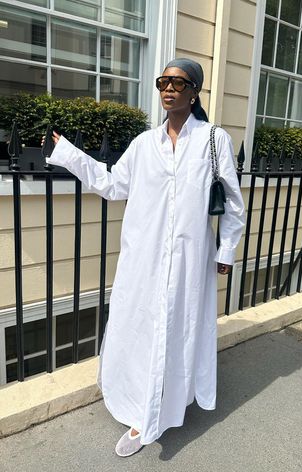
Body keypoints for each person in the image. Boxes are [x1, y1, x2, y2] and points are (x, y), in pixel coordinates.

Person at [44, 58, 246, 457]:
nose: (168, 88)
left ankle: (167, 402)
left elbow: (233, 204)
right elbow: (112, 184)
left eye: (178, 82)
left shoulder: (212, 139)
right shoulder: (143, 144)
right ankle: (142, 408)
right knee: (140, 327)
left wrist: (226, 251)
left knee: (180, 326)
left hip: (190, 257)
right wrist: (67, 153)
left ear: (194, 92)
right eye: (163, 82)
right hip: (144, 257)